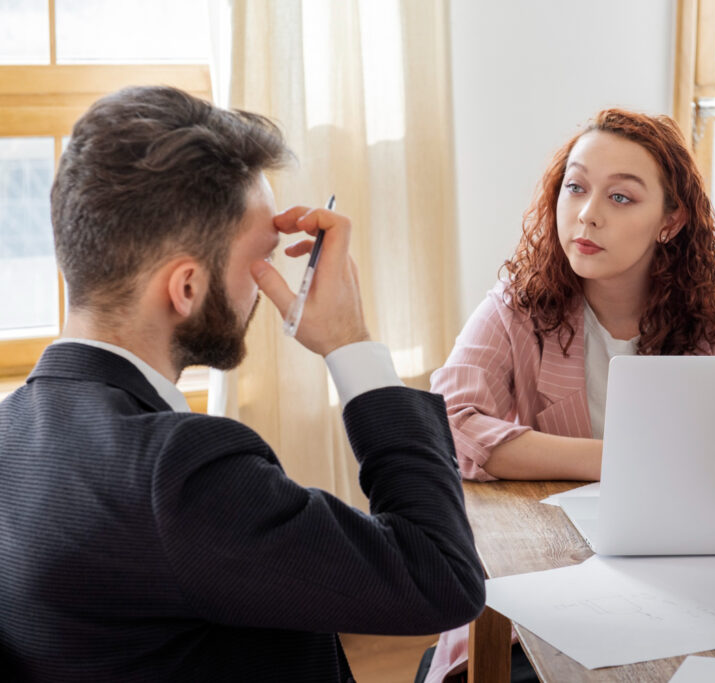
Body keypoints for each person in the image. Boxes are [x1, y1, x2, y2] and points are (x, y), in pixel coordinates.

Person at [0, 86, 485, 682]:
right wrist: (351, 344)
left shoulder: (11, 430)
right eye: (261, 259)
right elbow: (441, 577)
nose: (266, 287)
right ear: (186, 288)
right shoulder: (178, 475)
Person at [423, 108, 715, 681]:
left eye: (622, 198)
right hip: (556, 580)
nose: (587, 215)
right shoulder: (518, 306)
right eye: (576, 188)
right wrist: (627, 461)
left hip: (702, 583)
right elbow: (449, 425)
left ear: (671, 220)